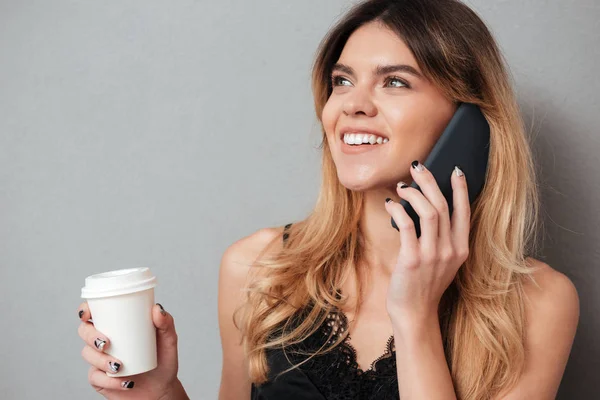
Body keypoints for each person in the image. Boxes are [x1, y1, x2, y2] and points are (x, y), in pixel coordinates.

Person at [77, 0, 580, 399]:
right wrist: (160, 394)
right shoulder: (258, 268)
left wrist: (416, 316)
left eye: (395, 82)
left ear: (468, 122)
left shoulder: (536, 304)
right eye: (342, 81)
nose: (353, 105)